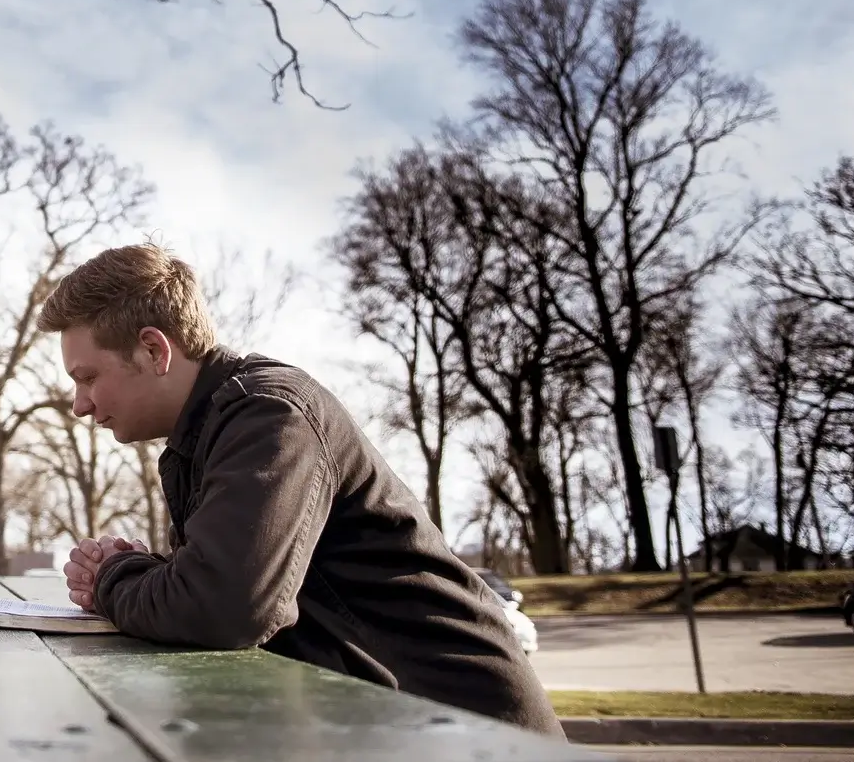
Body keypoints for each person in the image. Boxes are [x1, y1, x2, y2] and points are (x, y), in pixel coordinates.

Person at [46, 243, 561, 737]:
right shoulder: (206, 436)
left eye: (87, 377)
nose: (80, 404)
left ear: (155, 349)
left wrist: (112, 578)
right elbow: (225, 592)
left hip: (471, 731)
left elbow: (223, 609)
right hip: (398, 725)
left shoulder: (269, 417)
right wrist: (151, 575)